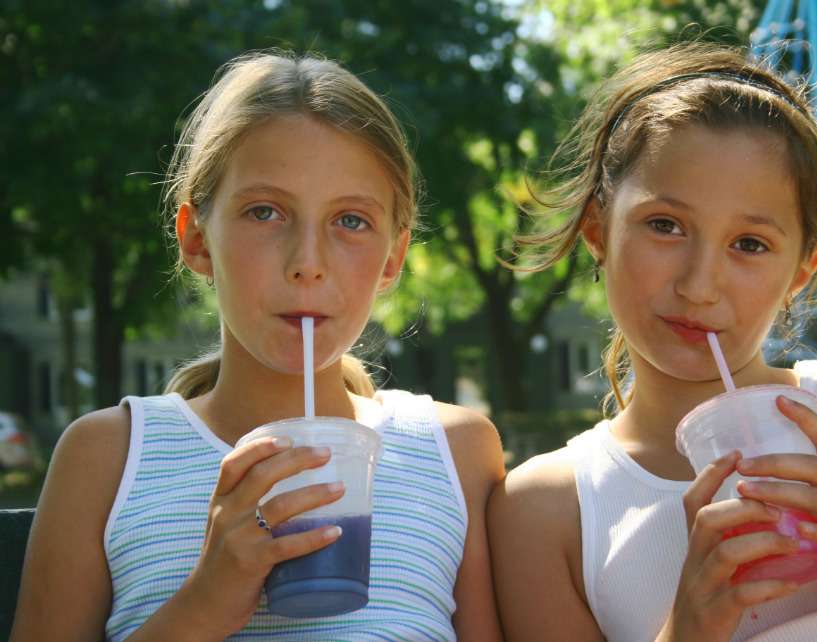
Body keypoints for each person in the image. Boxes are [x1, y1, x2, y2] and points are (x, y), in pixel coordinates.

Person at [10, 50, 505, 642]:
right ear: (196, 240)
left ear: (392, 258)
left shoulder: (454, 453)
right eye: (265, 212)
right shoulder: (106, 460)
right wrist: (205, 602)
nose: (307, 264)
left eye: (350, 221)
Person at [488, 40, 817, 642]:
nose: (699, 284)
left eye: (750, 244)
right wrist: (686, 629)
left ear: (801, 272)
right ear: (598, 232)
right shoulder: (546, 513)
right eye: (665, 226)